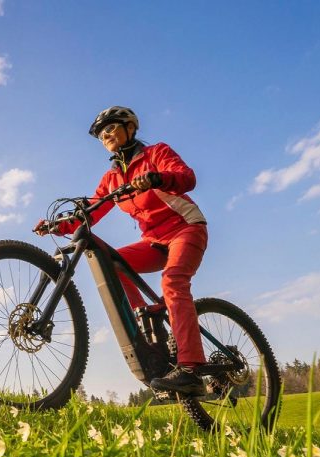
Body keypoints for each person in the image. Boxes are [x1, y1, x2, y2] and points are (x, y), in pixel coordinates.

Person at [34, 106, 208, 395]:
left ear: (130, 127)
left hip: (186, 229)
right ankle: (147, 324)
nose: (106, 135)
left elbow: (187, 178)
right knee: (111, 263)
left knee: (173, 281)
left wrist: (157, 178)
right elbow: (89, 213)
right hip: (153, 241)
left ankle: (191, 370)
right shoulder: (112, 179)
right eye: (101, 134)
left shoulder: (156, 153)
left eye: (111, 128)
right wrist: (56, 226)